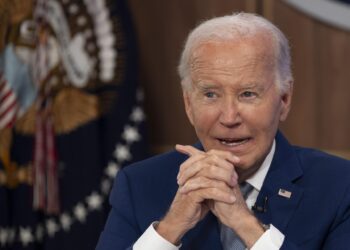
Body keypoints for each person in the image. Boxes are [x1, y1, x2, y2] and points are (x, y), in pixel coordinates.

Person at [96, 12, 350, 250]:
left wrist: (245, 223)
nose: (229, 117)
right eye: (210, 94)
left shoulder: (339, 187)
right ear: (188, 104)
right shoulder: (139, 184)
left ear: (284, 99)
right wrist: (169, 229)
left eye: (248, 94)